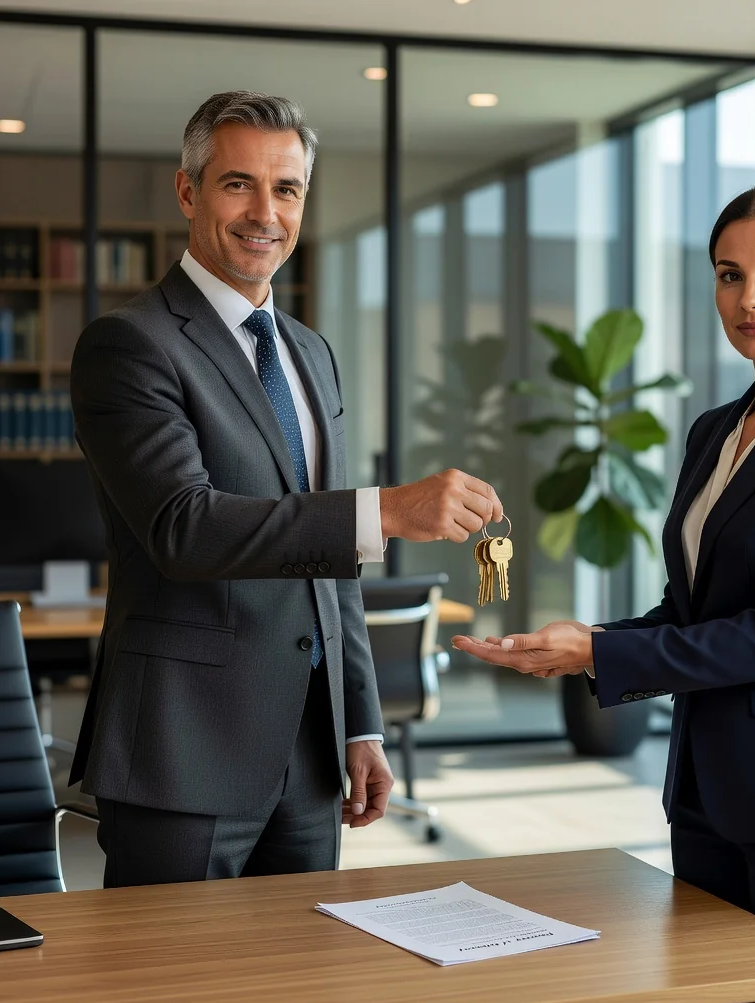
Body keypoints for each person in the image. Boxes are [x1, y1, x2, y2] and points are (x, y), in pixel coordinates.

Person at [453, 180, 755, 1003]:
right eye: (729, 276)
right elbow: (693, 607)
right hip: (706, 796)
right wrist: (585, 639)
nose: (751, 298)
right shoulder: (714, 431)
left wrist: (600, 655)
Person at [69, 91, 502, 888]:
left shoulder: (309, 351)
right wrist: (390, 509)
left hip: (309, 758)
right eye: (239, 184)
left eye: (288, 188)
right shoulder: (129, 346)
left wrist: (360, 723)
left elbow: (329, 562)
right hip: (183, 752)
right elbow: (185, 528)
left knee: (304, 991)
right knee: (177, 1001)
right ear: (189, 192)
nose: (265, 212)